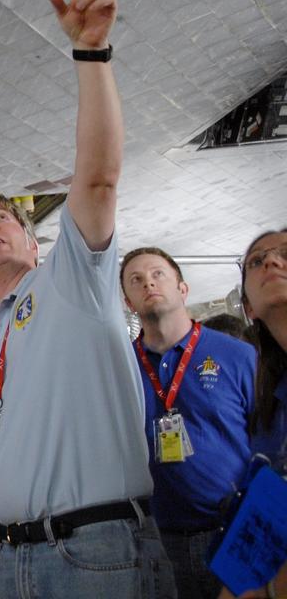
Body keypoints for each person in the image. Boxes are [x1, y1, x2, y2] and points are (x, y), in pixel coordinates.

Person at [0, 0, 174, 598]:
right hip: (20, 560)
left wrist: (92, 54)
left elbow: (98, 178)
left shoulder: (72, 280)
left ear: (35, 241)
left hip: (95, 553)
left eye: (4, 217)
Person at [120, 246, 255, 599]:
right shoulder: (121, 369)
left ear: (183, 289)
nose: (148, 283)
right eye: (136, 280)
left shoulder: (236, 355)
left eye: (158, 274)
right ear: (128, 303)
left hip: (233, 532)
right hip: (154, 541)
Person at [214, 230, 287, 599]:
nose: (272, 262)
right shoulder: (270, 408)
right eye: (257, 261)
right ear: (250, 308)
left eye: (285, 253)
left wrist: (273, 588)